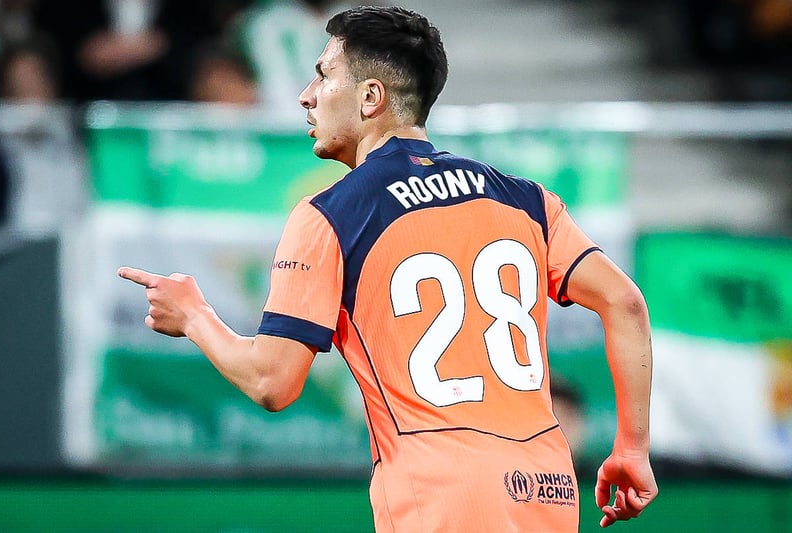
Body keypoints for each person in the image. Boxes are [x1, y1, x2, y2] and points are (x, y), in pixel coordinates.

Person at [118, 5, 658, 531]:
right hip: (547, 488)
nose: (307, 95)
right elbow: (626, 303)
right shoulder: (527, 200)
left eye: (324, 75)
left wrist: (195, 317)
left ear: (371, 97)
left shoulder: (332, 214)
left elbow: (272, 382)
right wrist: (632, 450)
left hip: (439, 492)